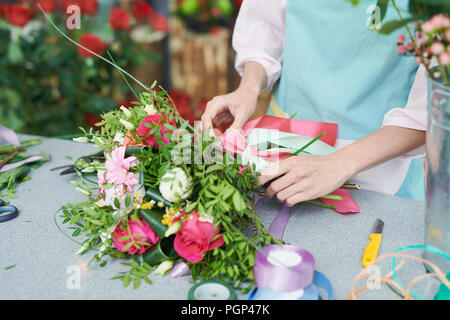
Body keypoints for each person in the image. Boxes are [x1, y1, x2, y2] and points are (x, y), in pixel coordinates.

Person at [201, 0, 428, 206]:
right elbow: (265, 24)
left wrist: (338, 164)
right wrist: (247, 90)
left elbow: (433, 110)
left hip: (379, 172)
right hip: (279, 152)